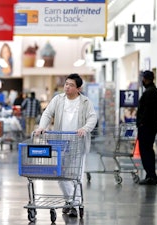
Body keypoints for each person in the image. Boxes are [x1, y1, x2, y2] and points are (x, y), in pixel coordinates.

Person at [34, 73, 97, 217]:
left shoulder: (85, 102)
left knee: (76, 176)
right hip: (60, 143)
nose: (67, 87)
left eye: (71, 85)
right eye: (66, 84)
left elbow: (92, 118)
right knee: (60, 174)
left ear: (78, 88)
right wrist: (42, 127)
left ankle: (75, 204)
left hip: (78, 143)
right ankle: (70, 200)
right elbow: (47, 113)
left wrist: (85, 129)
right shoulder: (58, 99)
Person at [137, 70, 157, 185]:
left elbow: (146, 111)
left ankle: (151, 176)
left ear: (146, 79)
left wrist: (141, 123)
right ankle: (150, 175)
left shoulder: (149, 93)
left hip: (146, 128)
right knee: (148, 151)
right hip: (151, 127)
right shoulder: (155, 91)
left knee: (146, 151)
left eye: (143, 78)